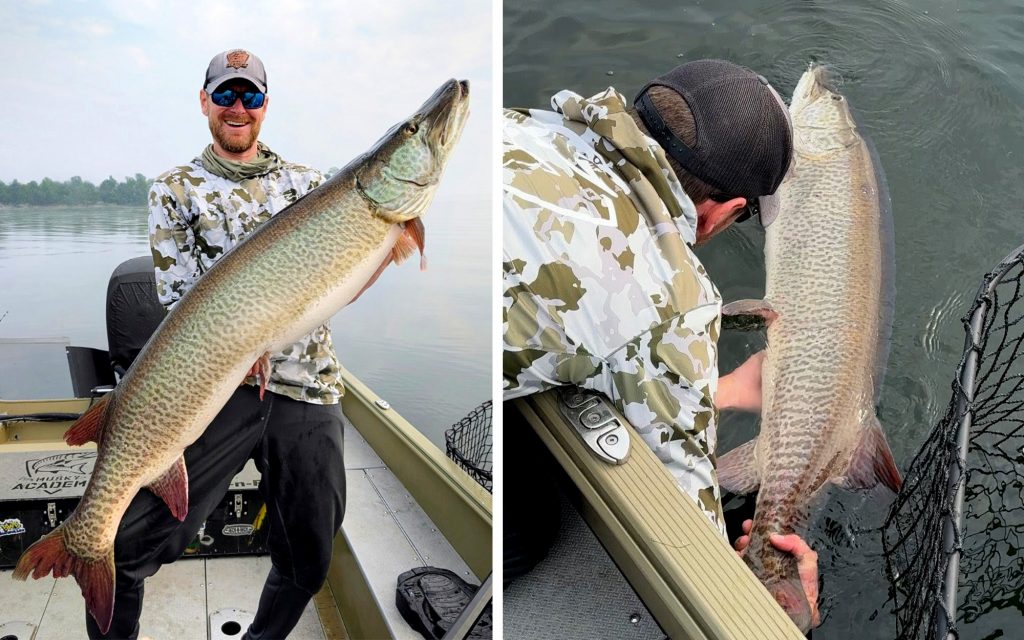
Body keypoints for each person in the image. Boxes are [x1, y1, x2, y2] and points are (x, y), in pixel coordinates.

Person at [502, 59, 819, 627]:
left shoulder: (524, 125)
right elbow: (689, 548)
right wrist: (793, 614)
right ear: (723, 211)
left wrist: (719, 391)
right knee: (532, 529)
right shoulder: (676, 301)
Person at [87, 49, 346, 639]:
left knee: (310, 556)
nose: (237, 107)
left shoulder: (310, 186)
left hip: (307, 383)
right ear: (205, 101)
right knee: (126, 546)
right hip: (214, 388)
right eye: (225, 94)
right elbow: (181, 303)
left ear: (265, 106)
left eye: (250, 96)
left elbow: (341, 277)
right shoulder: (174, 189)